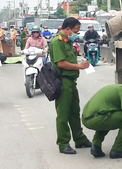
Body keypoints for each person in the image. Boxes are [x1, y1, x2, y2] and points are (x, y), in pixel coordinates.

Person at [49, 17, 92, 154]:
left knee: (74, 112)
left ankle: (79, 139)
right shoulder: (57, 42)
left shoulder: (68, 42)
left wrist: (81, 64)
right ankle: (63, 143)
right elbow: (61, 63)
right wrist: (79, 66)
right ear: (68, 29)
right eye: (75, 31)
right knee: (63, 114)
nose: (76, 33)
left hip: (72, 82)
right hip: (63, 82)